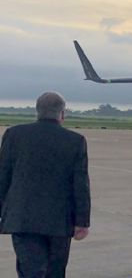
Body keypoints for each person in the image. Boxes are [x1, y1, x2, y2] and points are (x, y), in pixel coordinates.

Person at [0, 92, 91, 277]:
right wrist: (82, 221)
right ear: (62, 114)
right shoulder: (75, 141)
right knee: (55, 272)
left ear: (37, 111)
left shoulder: (14, 135)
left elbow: (3, 176)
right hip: (59, 222)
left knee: (30, 271)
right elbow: (80, 184)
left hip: (22, 218)